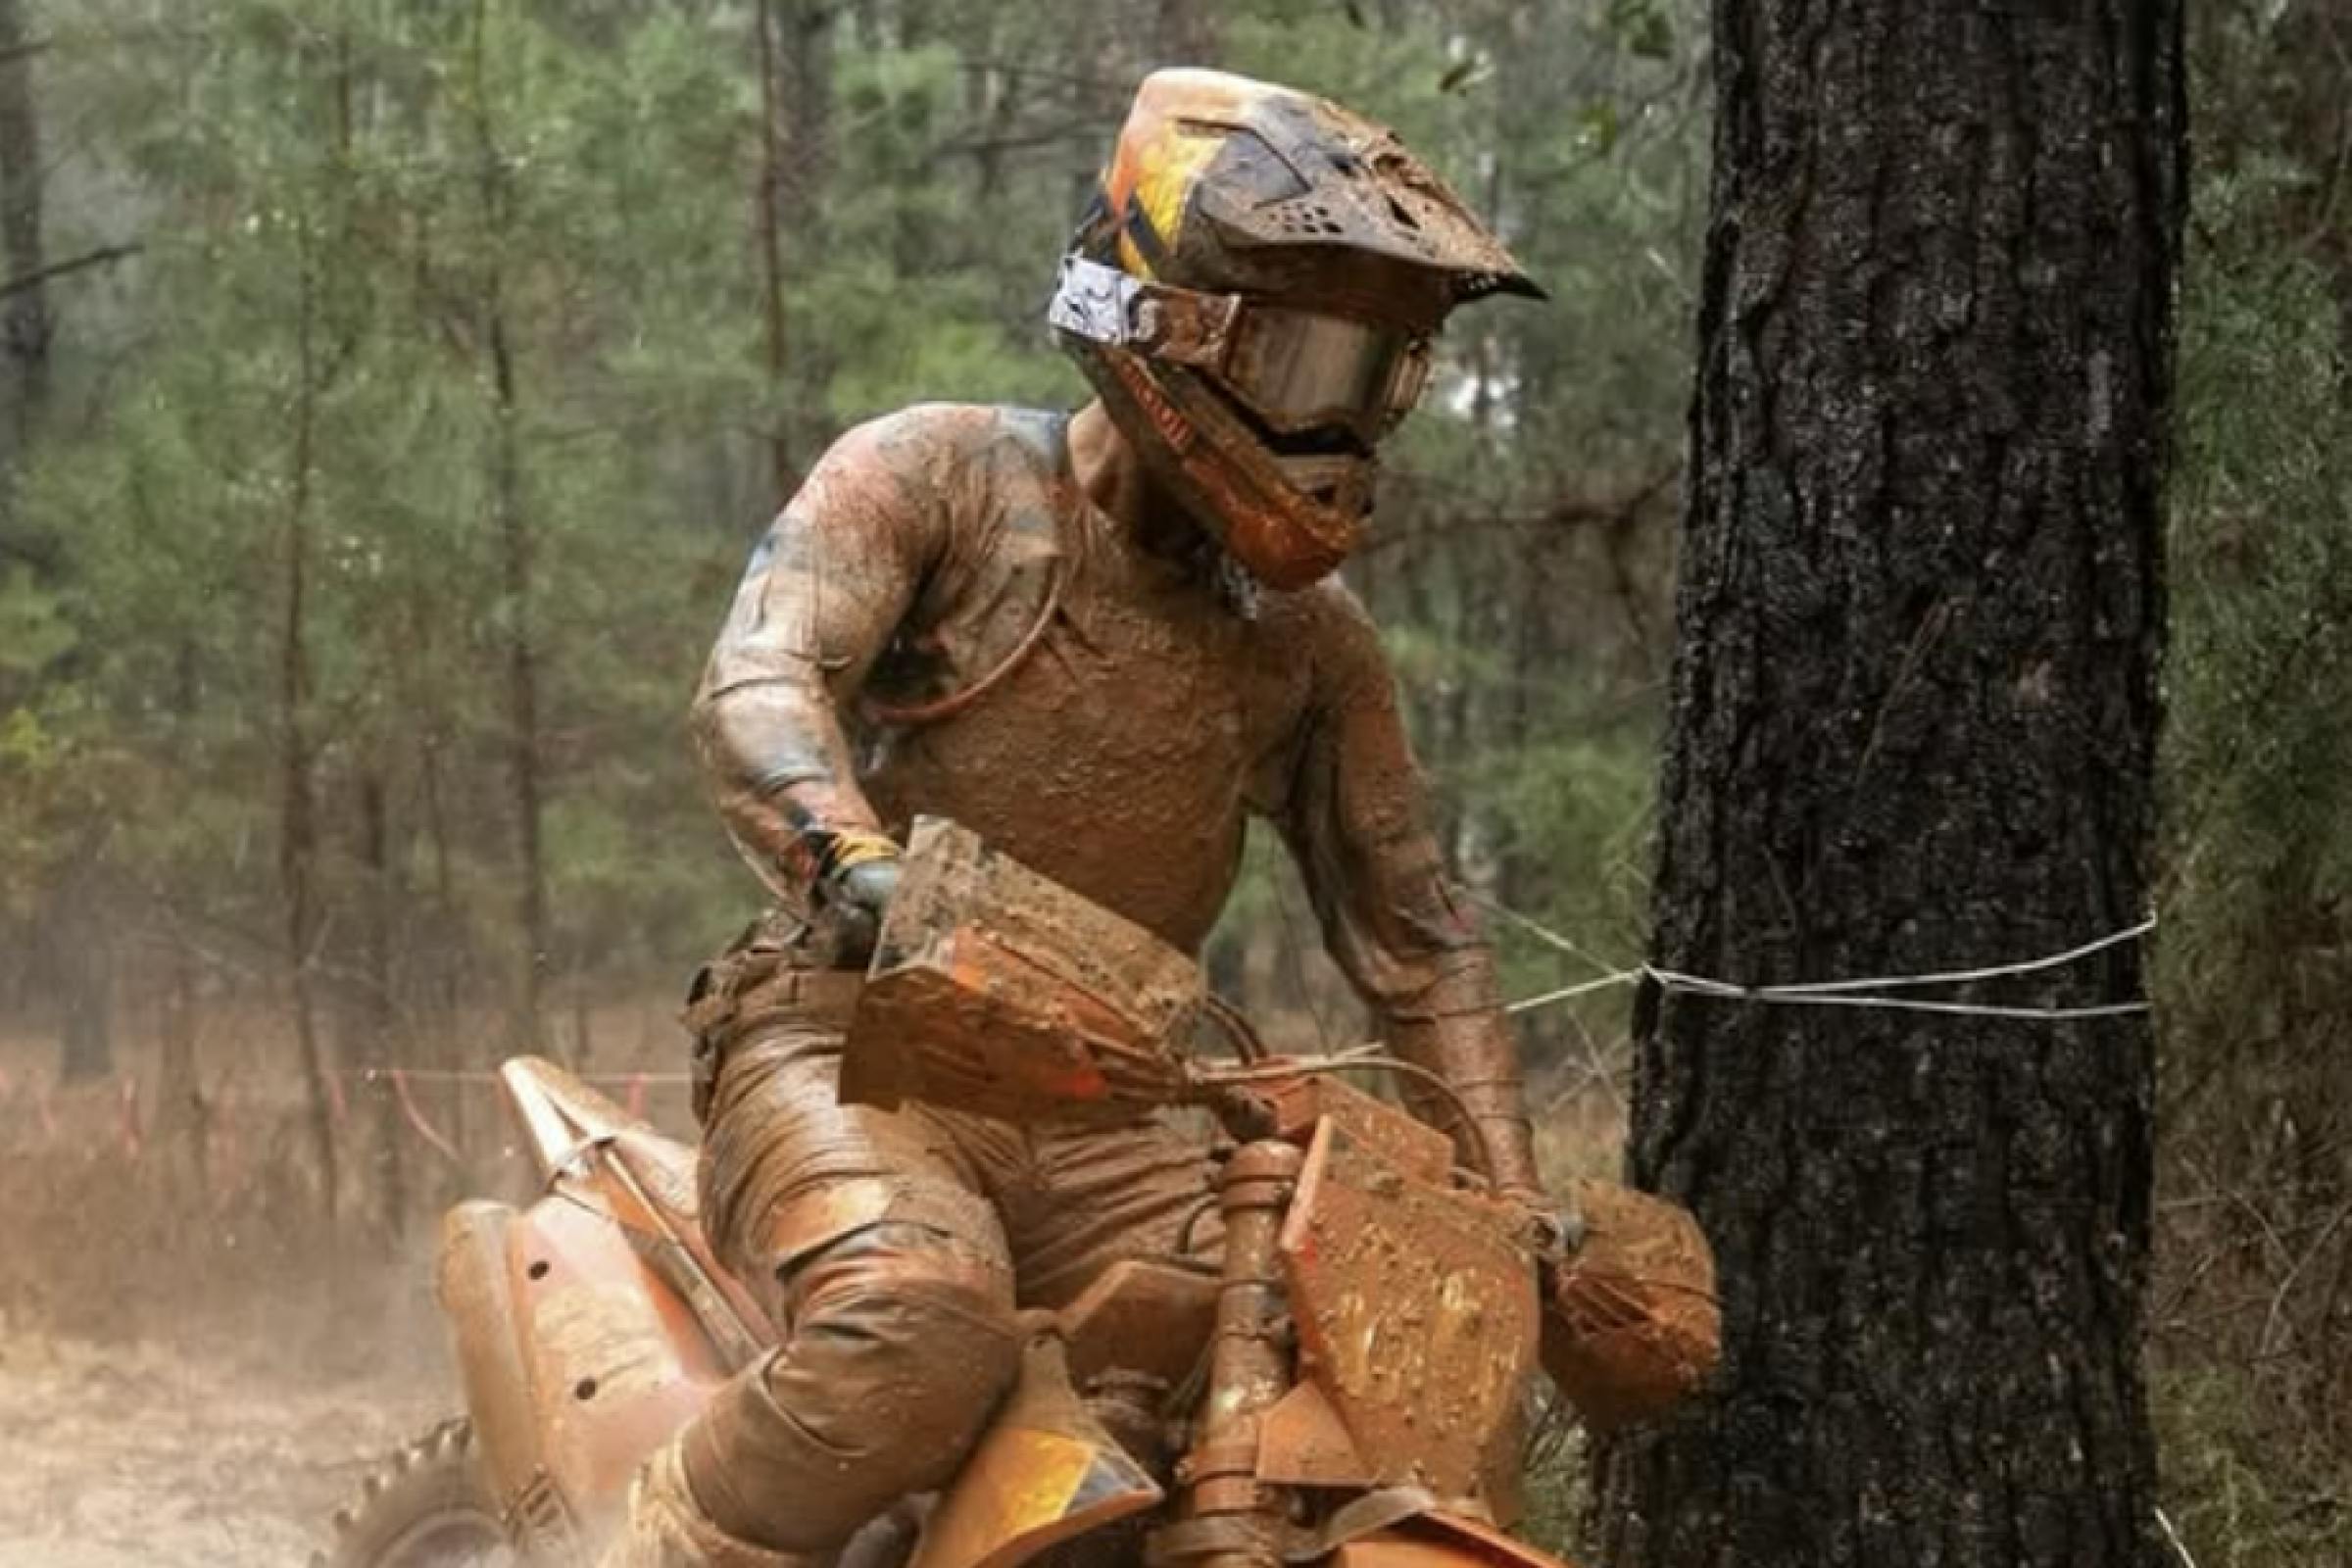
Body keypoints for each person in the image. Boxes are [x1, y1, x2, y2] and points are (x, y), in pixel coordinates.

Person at [606, 67, 1556, 1567]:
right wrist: (848, 863)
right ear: (1169, 319)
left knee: (1358, 1365)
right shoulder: (945, 478)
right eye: (1310, 364)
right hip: (856, 1042)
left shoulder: (1307, 646)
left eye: (1379, 380)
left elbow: (1417, 933)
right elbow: (763, 674)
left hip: (1119, 1104)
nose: (1343, 423)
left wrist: (1514, 1209)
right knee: (911, 1326)